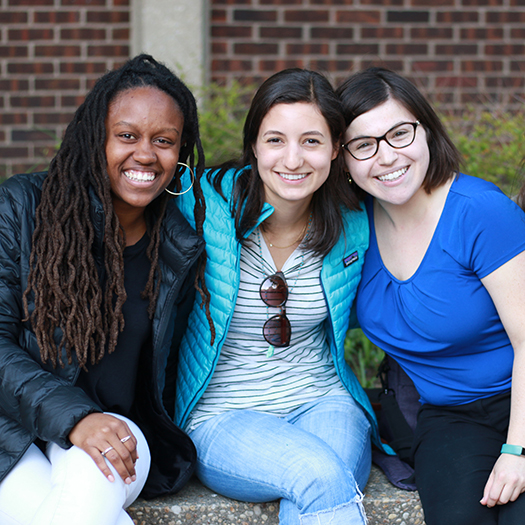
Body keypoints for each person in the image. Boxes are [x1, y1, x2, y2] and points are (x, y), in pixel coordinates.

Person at [173, 68, 393, 525]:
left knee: (319, 485)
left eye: (311, 141)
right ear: (253, 145)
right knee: (318, 475)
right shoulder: (200, 203)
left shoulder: (354, 223)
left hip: (324, 401)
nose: (293, 160)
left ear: (336, 149)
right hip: (222, 415)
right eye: (276, 140)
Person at [0, 54, 211, 525]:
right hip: (8, 433)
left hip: (118, 435)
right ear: (96, 138)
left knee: (92, 478)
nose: (145, 154)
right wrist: (75, 419)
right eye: (127, 136)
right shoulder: (21, 208)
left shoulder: (177, 244)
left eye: (164, 141)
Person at [337, 67, 525, 525]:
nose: (386, 157)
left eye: (399, 133)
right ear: (342, 159)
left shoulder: (479, 213)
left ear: (426, 130)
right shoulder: (351, 229)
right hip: (447, 416)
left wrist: (517, 450)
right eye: (364, 145)